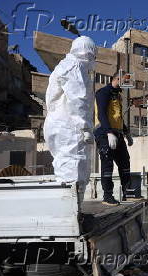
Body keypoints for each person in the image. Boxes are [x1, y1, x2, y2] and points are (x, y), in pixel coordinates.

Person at [44, 36, 97, 202]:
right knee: (73, 170)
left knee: (66, 169)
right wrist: (86, 127)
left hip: (60, 123)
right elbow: (78, 98)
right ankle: (71, 213)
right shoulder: (75, 66)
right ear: (89, 53)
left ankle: (71, 211)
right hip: (69, 126)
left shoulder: (64, 65)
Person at [94, 71, 134, 206]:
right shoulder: (103, 93)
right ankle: (107, 196)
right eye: (125, 80)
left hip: (117, 133)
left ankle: (127, 193)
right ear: (117, 79)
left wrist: (127, 133)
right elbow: (101, 114)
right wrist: (108, 132)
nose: (127, 84)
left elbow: (118, 117)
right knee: (107, 163)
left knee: (125, 162)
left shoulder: (118, 96)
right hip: (104, 133)